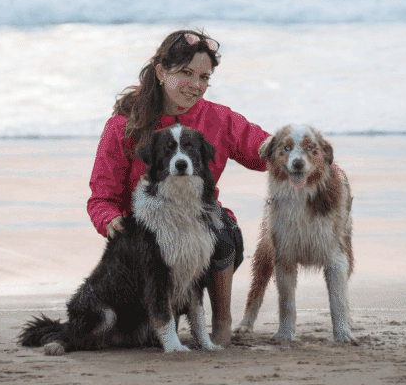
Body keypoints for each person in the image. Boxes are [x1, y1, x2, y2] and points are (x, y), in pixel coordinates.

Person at [87, 29, 271, 346]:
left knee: (220, 226)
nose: (195, 85)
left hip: (199, 228)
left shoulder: (220, 118)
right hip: (149, 236)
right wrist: (110, 219)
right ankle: (153, 321)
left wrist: (321, 162)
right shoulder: (123, 125)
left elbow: (267, 151)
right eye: (185, 73)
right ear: (161, 71)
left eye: (204, 77)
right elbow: (102, 198)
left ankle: (222, 322)